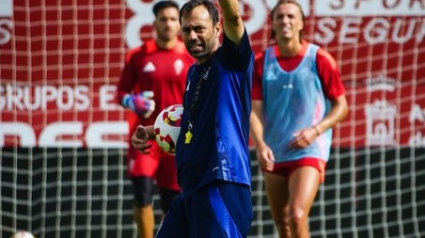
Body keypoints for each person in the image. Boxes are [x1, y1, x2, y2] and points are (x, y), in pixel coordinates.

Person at [131, 0, 254, 237]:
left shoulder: (231, 60)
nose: (192, 36)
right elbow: (194, 122)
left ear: (218, 29)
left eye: (200, 28)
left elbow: (234, 17)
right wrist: (152, 131)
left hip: (222, 183)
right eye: (186, 29)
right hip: (191, 188)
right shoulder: (194, 71)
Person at [250, 1, 349, 238]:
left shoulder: (320, 59)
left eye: (291, 16)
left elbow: (342, 107)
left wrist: (315, 130)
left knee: (296, 214)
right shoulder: (262, 62)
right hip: (275, 150)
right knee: (282, 224)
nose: (285, 21)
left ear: (302, 22)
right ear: (272, 23)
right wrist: (261, 146)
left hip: (310, 150)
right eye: (280, 16)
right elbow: (254, 111)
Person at [116, 1, 194, 238]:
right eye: (164, 19)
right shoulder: (139, 55)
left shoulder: (190, 55)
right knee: (142, 194)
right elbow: (121, 93)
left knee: (172, 203)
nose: (168, 24)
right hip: (146, 136)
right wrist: (132, 101)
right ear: (155, 23)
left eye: (173, 19)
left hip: (176, 140)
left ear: (179, 24)